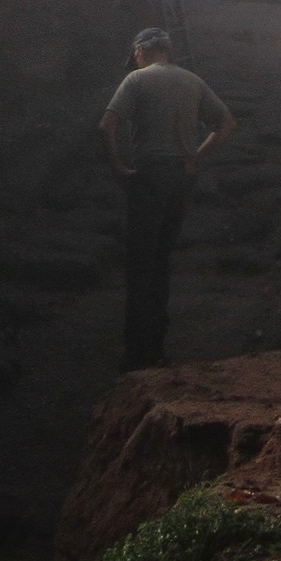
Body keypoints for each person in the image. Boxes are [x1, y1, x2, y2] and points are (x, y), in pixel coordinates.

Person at [98, 28, 237, 371]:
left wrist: (118, 168)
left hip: (149, 176)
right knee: (161, 259)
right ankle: (157, 348)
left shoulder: (136, 80)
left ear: (140, 52)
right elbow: (226, 123)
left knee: (140, 262)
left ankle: (136, 354)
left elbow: (106, 126)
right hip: (182, 179)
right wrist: (196, 158)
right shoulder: (193, 81)